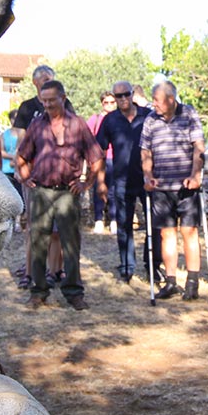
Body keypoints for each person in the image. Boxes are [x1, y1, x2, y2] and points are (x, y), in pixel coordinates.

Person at [16, 80, 105, 310]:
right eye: (43, 101)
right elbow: (22, 156)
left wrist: (87, 182)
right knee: (38, 244)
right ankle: (38, 291)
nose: (46, 105)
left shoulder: (78, 125)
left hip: (68, 192)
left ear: (63, 98)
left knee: (71, 245)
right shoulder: (37, 125)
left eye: (51, 100)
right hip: (41, 192)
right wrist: (26, 177)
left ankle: (74, 292)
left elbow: (96, 157)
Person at [140, 81, 205, 300]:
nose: (154, 103)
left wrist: (196, 175)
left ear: (170, 99)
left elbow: (198, 147)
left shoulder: (189, 114)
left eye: (157, 99)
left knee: (189, 231)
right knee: (166, 233)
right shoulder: (150, 119)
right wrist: (148, 176)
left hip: (186, 185)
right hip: (162, 186)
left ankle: (193, 282)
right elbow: (145, 151)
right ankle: (170, 281)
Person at [12, 65, 72, 288]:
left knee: (59, 228)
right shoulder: (27, 108)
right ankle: (30, 271)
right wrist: (21, 169)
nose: (48, 81)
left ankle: (56, 270)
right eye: (45, 79)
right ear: (35, 82)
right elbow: (20, 140)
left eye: (51, 78)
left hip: (59, 175)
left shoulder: (65, 105)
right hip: (34, 175)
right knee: (35, 226)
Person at [97, 81, 163, 283]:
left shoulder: (148, 116)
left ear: (132, 94)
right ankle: (127, 266)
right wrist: (100, 181)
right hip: (122, 179)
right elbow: (99, 152)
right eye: (119, 96)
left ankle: (153, 266)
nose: (123, 99)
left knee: (155, 223)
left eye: (126, 94)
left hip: (147, 178)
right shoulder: (109, 120)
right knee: (124, 224)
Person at [87, 91, 117, 234]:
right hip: (98, 159)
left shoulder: (120, 118)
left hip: (115, 159)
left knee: (113, 190)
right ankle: (98, 219)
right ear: (102, 103)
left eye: (112, 102)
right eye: (106, 102)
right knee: (98, 189)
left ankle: (114, 220)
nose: (109, 105)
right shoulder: (95, 119)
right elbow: (87, 137)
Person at [1, 109, 23, 232]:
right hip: (7, 168)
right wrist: (12, 158)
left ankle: (18, 222)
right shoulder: (4, 134)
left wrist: (16, 160)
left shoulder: (23, 134)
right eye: (13, 118)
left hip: (19, 168)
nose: (15, 121)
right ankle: (8, 222)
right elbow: (2, 150)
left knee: (19, 194)